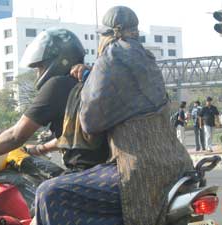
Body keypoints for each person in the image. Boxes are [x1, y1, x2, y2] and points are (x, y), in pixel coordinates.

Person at [34, 6, 193, 225]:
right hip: (178, 163)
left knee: (49, 192)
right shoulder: (147, 58)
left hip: (137, 169)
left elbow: (90, 123)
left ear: (107, 34)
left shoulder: (109, 57)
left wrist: (89, 80)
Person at [0, 28, 108, 181]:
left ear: (60, 61)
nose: (38, 73)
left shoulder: (58, 85)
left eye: (40, 66)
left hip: (83, 173)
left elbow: (15, 136)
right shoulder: (89, 82)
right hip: (103, 169)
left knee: (42, 193)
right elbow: (75, 136)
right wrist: (39, 149)